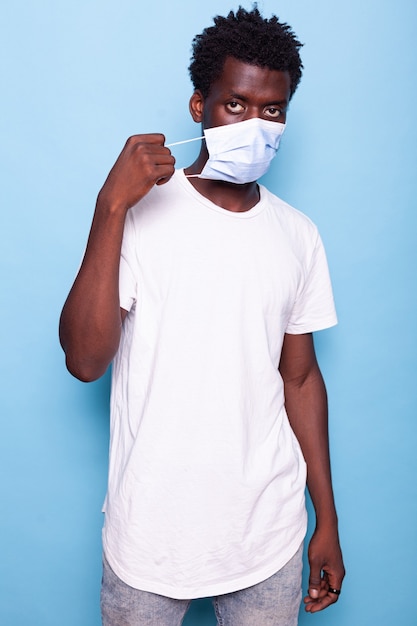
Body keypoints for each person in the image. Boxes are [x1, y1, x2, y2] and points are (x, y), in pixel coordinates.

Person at [59, 6, 345, 625]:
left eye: (273, 110)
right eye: (235, 105)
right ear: (199, 107)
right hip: (149, 540)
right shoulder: (138, 214)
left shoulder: (299, 235)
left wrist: (327, 518)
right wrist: (109, 208)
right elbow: (83, 361)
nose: (255, 124)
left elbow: (298, 379)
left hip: (267, 537)